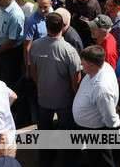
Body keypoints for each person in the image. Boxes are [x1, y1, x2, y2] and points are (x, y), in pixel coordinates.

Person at [29, 11, 82, 165]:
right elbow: (76, 79)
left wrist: (41, 84)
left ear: (46, 27)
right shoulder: (69, 51)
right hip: (65, 101)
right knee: (68, 133)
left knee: (45, 132)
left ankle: (46, 160)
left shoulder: (36, 45)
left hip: (43, 97)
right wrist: (75, 95)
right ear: (63, 26)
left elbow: (33, 70)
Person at [72, 45, 120, 167]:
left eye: (83, 62)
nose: (81, 64)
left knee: (102, 161)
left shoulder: (102, 88)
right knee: (93, 158)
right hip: (88, 128)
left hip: (96, 132)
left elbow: (109, 118)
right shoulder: (101, 68)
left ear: (92, 65)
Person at [0, 0, 25, 90]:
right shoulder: (2, 6)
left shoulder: (16, 15)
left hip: (9, 54)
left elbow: (12, 41)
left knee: (8, 82)